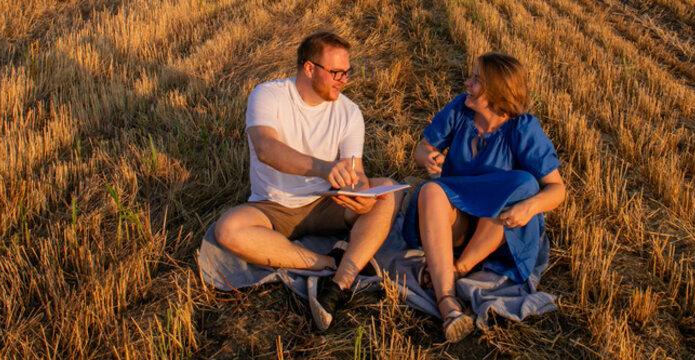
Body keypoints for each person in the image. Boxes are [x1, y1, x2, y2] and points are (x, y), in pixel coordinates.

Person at [213, 32, 401, 332]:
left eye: (347, 72)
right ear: (310, 68)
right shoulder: (268, 95)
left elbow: (357, 171)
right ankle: (327, 262)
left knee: (387, 192)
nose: (343, 80)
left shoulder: (349, 112)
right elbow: (266, 149)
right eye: (336, 72)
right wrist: (325, 169)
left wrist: (360, 193)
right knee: (227, 231)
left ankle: (340, 283)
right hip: (273, 205)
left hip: (327, 203)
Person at [404, 52, 565, 343]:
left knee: (524, 183)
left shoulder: (523, 128)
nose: (467, 83)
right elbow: (420, 150)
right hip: (458, 221)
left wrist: (530, 207)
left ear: (496, 92)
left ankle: (457, 270)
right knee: (430, 190)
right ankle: (447, 301)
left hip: (499, 231)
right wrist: (427, 158)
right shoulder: (459, 110)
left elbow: (556, 189)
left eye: (476, 80)